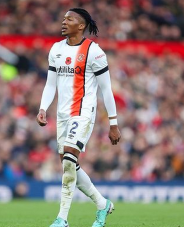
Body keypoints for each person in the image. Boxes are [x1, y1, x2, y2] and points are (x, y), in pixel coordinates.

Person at [36, 8, 121, 227]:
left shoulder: (94, 52)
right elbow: (50, 84)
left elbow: (107, 90)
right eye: (64, 18)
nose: (64, 22)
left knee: (69, 161)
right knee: (69, 164)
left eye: (69, 19)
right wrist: (43, 108)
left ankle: (62, 218)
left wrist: (113, 123)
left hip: (82, 113)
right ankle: (102, 204)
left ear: (81, 25)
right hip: (62, 115)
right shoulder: (56, 49)